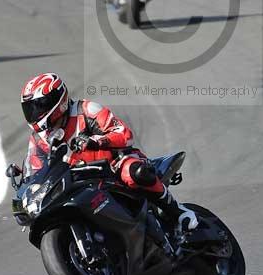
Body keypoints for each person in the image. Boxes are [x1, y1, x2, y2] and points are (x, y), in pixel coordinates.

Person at [20, 73, 198, 231]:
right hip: (79, 182)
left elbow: (125, 135)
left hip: (115, 164)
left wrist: (95, 141)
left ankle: (178, 211)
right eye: (30, 108)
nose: (35, 113)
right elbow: (37, 168)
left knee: (134, 173)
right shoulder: (39, 139)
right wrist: (28, 184)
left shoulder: (86, 110)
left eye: (40, 106)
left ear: (60, 100)